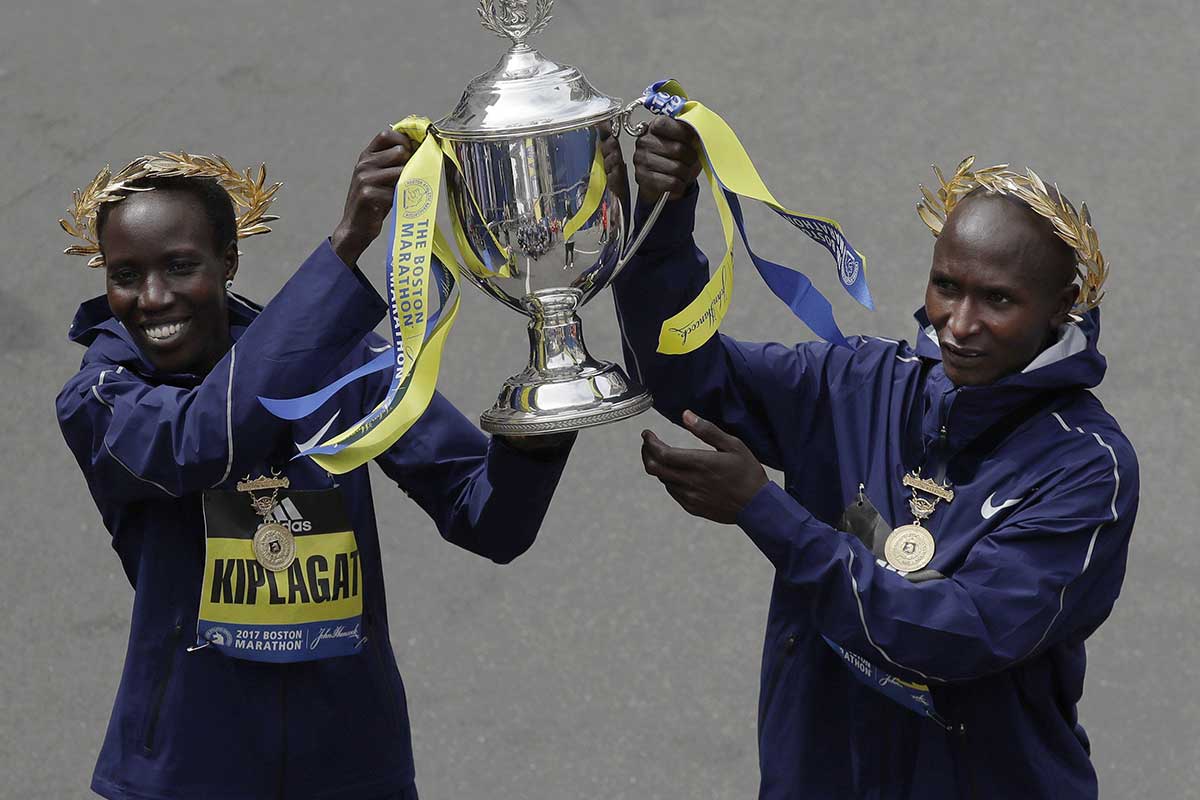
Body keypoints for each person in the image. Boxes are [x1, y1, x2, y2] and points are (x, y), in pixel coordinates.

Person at [604, 118, 1138, 798]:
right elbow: (684, 377)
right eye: (947, 285)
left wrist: (765, 512)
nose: (961, 323)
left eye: (998, 299)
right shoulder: (856, 385)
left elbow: (955, 634)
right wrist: (665, 215)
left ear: (1063, 307)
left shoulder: (1088, 470)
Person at [56, 131, 575, 800]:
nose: (152, 298)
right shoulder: (102, 398)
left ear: (229, 260)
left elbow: (489, 519)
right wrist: (345, 245)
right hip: (186, 767)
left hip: (351, 763)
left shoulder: (343, 367)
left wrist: (540, 418)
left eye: (180, 266)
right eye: (125, 276)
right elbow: (201, 441)